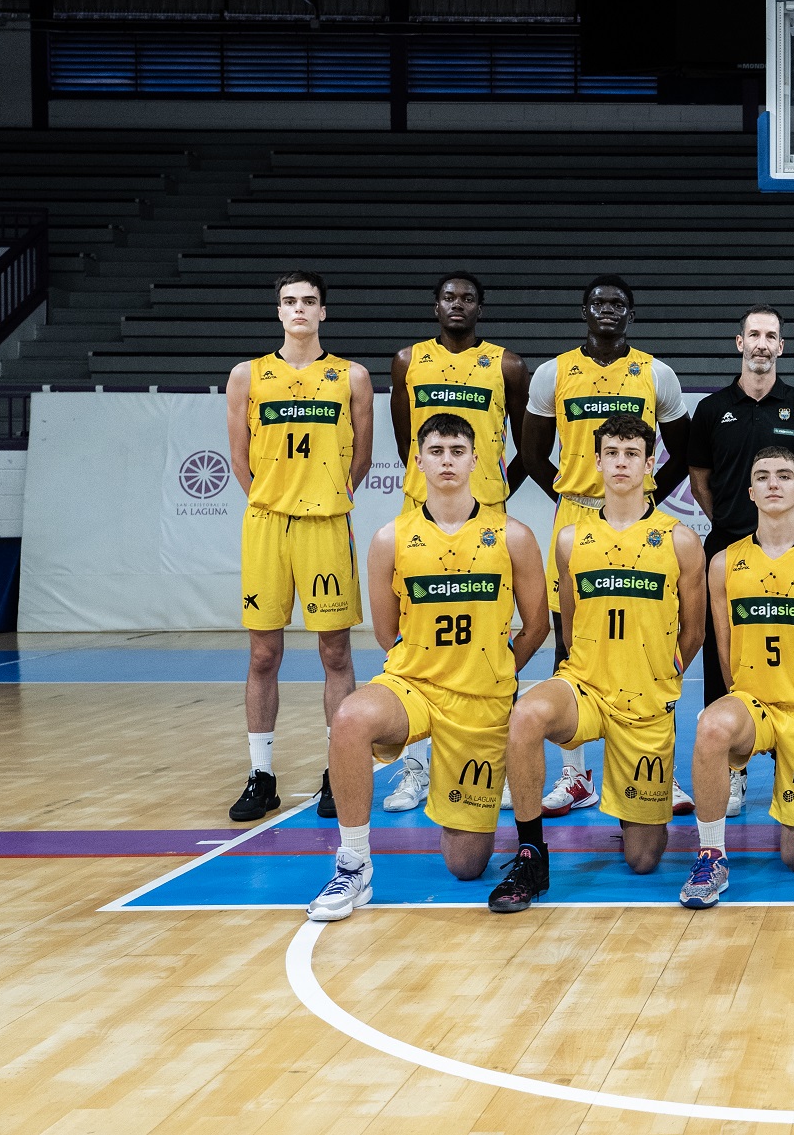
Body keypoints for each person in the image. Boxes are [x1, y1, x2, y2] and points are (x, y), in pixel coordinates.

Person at [305, 413, 550, 921]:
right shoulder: (389, 539)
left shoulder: (513, 536)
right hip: (413, 686)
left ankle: (459, 795)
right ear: (417, 462)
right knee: (350, 719)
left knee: (465, 865)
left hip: (480, 702)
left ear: (476, 460)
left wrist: (498, 669)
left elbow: (537, 626)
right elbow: (385, 632)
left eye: (457, 451)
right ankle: (353, 866)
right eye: (436, 451)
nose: (447, 461)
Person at [487, 416, 706, 911]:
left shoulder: (680, 541)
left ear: (649, 465)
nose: (621, 462)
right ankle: (531, 853)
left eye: (632, 454)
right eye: (612, 453)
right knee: (525, 716)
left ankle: (635, 812)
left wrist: (661, 675)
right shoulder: (570, 539)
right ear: (598, 462)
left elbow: (693, 631)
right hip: (584, 685)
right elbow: (569, 627)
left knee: (644, 858)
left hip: (645, 700)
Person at [521, 275, 691, 818]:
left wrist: (644, 495)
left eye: (618, 304)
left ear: (631, 315)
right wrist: (570, 496)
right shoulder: (553, 373)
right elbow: (530, 452)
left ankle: (658, 765)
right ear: (584, 311)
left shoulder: (656, 373)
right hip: (577, 515)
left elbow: (684, 451)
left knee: (653, 638)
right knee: (569, 642)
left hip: (640, 517)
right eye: (599, 302)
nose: (608, 310)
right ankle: (575, 776)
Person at [225, 270, 373, 824]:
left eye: (309, 301)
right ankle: (261, 775)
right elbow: (239, 459)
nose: (300, 309)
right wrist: (273, 500)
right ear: (278, 311)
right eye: (289, 301)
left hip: (326, 525)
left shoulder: (352, 376)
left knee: (335, 653)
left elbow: (361, 457)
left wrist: (325, 498)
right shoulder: (247, 375)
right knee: (263, 653)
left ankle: (339, 770)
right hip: (267, 525)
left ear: (323, 312)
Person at [680, 447, 794, 908]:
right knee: (711, 724)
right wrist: (738, 698)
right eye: (762, 476)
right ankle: (711, 856)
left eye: (783, 476)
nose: (773, 483)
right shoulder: (724, 562)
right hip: (753, 703)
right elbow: (724, 647)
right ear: (751, 492)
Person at [382, 271, 530, 814]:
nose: (458, 304)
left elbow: (524, 440)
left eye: (468, 298)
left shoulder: (506, 365)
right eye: (449, 296)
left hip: (486, 511)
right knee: (415, 634)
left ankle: (499, 762)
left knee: (494, 637)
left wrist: (493, 487)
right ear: (435, 305)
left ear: (480, 308)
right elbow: (407, 439)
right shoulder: (407, 361)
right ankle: (416, 768)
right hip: (422, 512)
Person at [687, 305, 794, 818]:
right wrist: (736, 524)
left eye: (771, 336)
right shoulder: (712, 409)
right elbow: (700, 479)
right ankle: (734, 769)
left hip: (791, 551)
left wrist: (782, 521)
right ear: (740, 342)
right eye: (754, 334)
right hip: (729, 547)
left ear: (781, 347)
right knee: (723, 655)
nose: (762, 344)